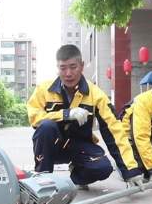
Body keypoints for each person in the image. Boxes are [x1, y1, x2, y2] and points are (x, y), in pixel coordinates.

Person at [27, 44, 143, 189]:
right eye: (63, 68)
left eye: (73, 67)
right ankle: (43, 180)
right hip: (52, 146)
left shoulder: (96, 95)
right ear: (57, 68)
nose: (68, 73)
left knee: (102, 168)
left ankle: (78, 176)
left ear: (82, 66)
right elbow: (34, 117)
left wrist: (130, 170)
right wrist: (65, 114)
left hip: (80, 147)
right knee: (45, 126)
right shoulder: (43, 89)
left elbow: (115, 131)